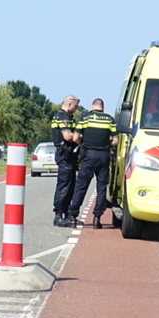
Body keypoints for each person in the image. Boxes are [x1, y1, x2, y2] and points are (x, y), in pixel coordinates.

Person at [67, 98, 118, 229]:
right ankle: (97, 217)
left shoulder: (85, 118)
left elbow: (75, 137)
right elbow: (115, 141)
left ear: (92, 106)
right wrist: (106, 144)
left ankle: (73, 215)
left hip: (89, 155)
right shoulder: (109, 119)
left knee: (81, 186)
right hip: (104, 156)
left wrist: (83, 144)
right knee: (101, 188)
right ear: (103, 107)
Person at [51, 94, 81, 227]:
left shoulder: (66, 117)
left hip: (69, 155)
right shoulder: (63, 117)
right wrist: (81, 136)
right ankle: (58, 215)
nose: (76, 109)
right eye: (75, 106)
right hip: (65, 155)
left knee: (70, 185)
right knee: (64, 185)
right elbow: (68, 136)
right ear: (69, 104)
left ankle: (66, 215)